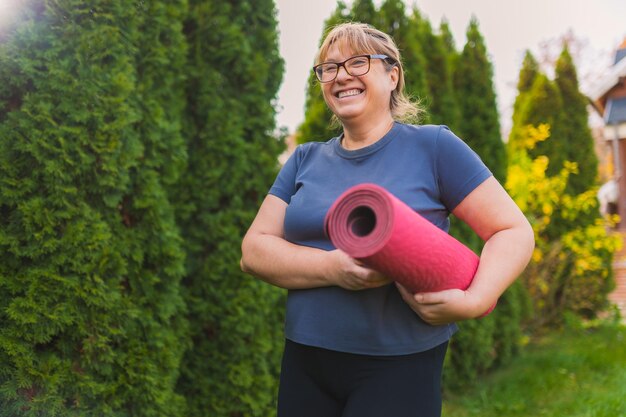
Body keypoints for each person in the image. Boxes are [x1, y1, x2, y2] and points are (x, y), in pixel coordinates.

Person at [240, 22, 534, 417]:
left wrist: (476, 299)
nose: (341, 75)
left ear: (392, 75)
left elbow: (512, 230)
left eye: (357, 62)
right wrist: (332, 268)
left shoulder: (433, 147)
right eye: (328, 68)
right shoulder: (304, 159)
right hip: (305, 359)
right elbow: (254, 250)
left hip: (399, 364)